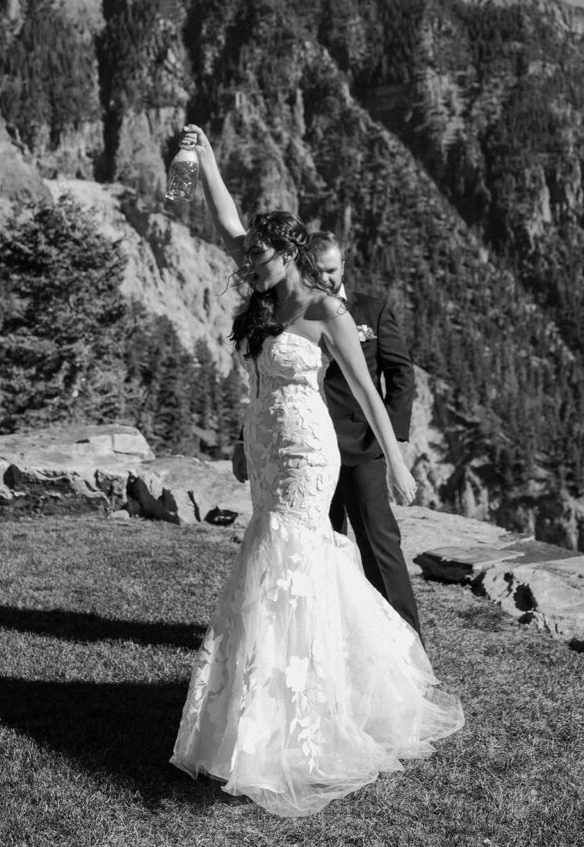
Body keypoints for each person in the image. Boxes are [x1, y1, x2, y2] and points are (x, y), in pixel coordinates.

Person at [170, 125, 464, 818]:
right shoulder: (269, 291)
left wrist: (396, 461)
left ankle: (301, 724)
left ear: (289, 254)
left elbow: (365, 390)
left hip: (309, 450)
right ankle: (261, 711)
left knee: (286, 556)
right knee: (278, 559)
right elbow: (227, 222)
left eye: (264, 258)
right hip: (269, 446)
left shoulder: (325, 307)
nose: (253, 266)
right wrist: (207, 155)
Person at [233, 231, 422, 636]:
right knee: (316, 549)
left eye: (333, 270)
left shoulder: (370, 309)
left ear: (344, 266)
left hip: (361, 447)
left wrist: (394, 449)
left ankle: (407, 642)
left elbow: (399, 377)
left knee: (379, 547)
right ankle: (324, 636)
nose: (328, 278)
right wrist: (241, 439)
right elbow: (264, 383)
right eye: (320, 271)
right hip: (302, 451)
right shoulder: (286, 308)